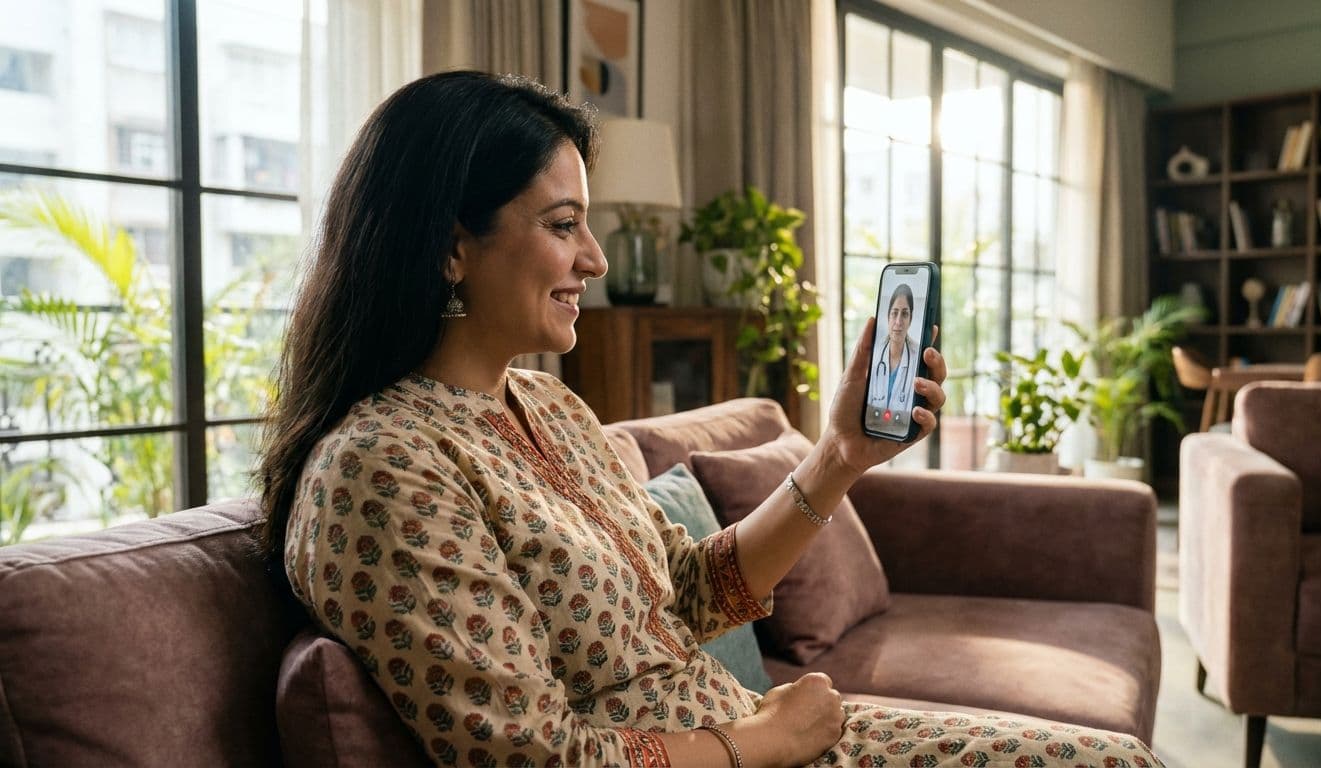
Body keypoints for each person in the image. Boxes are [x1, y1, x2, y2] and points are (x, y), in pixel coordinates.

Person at [258, 71, 1165, 768]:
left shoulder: (547, 406)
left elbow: (686, 596)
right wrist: (758, 744)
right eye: (563, 223)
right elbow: (532, 757)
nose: (596, 258)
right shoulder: (381, 470)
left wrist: (841, 456)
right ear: (453, 246)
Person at [867, 284, 920, 426]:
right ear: (887, 317)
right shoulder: (874, 354)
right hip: (873, 429)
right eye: (894, 313)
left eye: (904, 314)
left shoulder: (918, 357)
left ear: (911, 319)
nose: (898, 322)